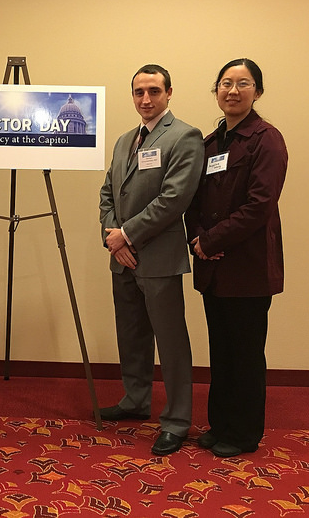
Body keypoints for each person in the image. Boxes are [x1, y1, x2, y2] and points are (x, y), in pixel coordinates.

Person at [99, 64, 204, 455]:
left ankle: (176, 421)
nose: (146, 99)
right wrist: (113, 240)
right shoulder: (125, 139)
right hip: (121, 258)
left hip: (158, 258)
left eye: (154, 91)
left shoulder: (184, 136)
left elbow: (175, 198)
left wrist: (126, 234)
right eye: (139, 92)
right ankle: (135, 400)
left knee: (170, 341)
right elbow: (108, 192)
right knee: (131, 335)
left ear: (169, 93)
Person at [185, 59, 287, 458]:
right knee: (221, 351)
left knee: (244, 353)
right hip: (213, 265)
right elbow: (193, 200)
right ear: (216, 91)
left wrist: (211, 240)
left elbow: (259, 205)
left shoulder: (267, 139)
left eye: (243, 83)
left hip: (246, 268)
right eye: (225, 83)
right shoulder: (210, 142)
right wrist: (198, 238)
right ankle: (220, 424)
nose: (233, 90)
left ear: (257, 92)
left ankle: (243, 434)